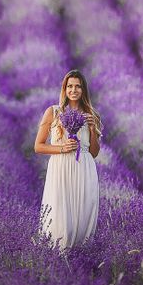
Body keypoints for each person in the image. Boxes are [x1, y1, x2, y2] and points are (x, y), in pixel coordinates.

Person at [34, 69, 102, 252]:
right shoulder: (53, 112)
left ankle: (81, 261)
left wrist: (92, 127)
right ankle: (58, 260)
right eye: (70, 86)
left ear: (83, 90)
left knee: (83, 215)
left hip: (84, 169)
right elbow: (38, 146)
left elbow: (94, 152)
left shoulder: (91, 114)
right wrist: (62, 148)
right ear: (64, 89)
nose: (74, 90)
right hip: (60, 168)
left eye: (78, 86)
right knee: (61, 218)